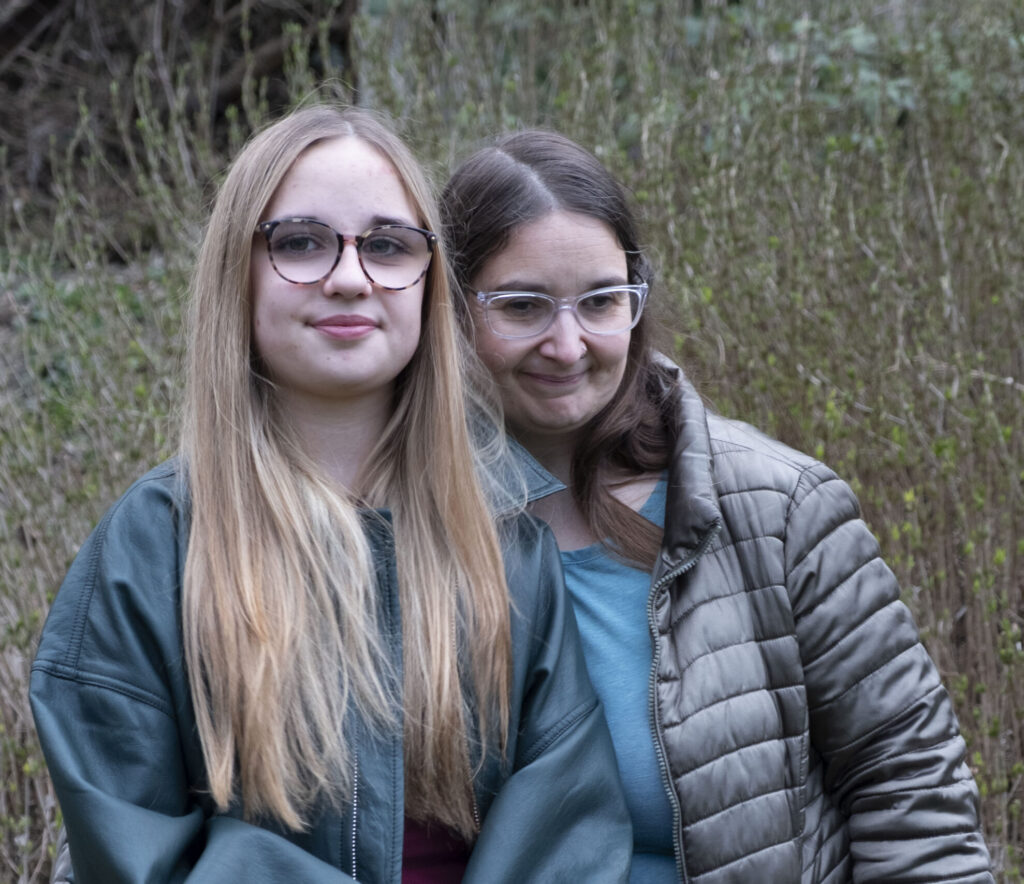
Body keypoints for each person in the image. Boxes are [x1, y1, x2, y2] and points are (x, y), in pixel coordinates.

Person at [30, 106, 632, 884]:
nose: (350, 277)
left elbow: (572, 840)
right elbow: (132, 855)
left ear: (427, 280)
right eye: (301, 242)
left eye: (387, 245)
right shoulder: (154, 544)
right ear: (236, 271)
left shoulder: (505, 544)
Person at [441, 129, 995, 883]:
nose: (567, 345)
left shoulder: (779, 509)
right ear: (451, 308)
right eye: (523, 306)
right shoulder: (402, 530)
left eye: (601, 301)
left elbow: (910, 785)